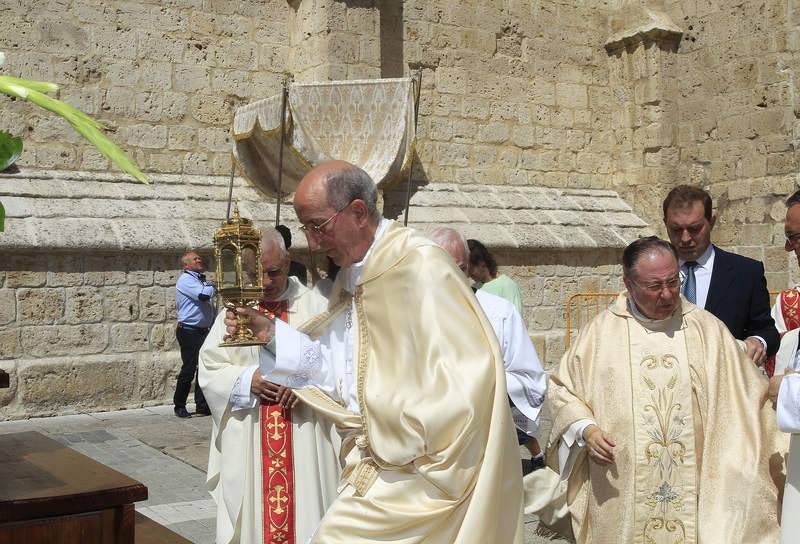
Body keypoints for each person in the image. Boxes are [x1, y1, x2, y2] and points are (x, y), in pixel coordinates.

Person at [227, 160, 523, 543]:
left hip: (422, 475)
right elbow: (337, 368)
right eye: (306, 228)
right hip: (377, 465)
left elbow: (472, 377)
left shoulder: (419, 266)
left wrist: (398, 432)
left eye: (318, 226)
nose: (313, 242)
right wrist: (273, 335)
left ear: (358, 212)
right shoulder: (357, 275)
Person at [537, 236, 785, 543]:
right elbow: (563, 389)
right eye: (655, 286)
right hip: (619, 486)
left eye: (673, 282)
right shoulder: (600, 333)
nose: (667, 294)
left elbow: (749, 397)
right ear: (628, 283)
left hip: (694, 491)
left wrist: (782, 408)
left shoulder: (706, 329)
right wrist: (586, 429)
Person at [198, 228, 339, 544]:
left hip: (306, 435)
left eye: (273, 271)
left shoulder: (318, 306)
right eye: (254, 272)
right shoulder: (234, 314)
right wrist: (249, 380)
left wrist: (303, 384)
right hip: (252, 434)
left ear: (289, 262)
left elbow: (339, 367)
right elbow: (209, 369)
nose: (264, 281)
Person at [428, 226, 547, 472]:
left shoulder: (499, 313)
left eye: (458, 268)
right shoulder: (406, 317)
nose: (449, 276)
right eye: (438, 267)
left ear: (468, 268)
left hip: (488, 447)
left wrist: (487, 381)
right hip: (430, 452)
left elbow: (531, 381)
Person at [662, 184, 779, 366]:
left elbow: (767, 331)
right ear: (665, 224)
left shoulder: (746, 273)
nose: (685, 238)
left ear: (712, 222)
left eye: (694, 228)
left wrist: (758, 342)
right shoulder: (653, 273)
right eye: (676, 229)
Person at [174, 251, 215, 418]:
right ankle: (179, 405)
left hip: (203, 331)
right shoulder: (186, 280)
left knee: (204, 368)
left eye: (199, 258)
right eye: (195, 259)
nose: (200, 260)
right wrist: (215, 285)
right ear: (186, 265)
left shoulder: (200, 280)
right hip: (189, 331)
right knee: (189, 369)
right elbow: (203, 295)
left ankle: (202, 404)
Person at [467, 238, 523, 314]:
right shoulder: (474, 288)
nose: (469, 274)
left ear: (482, 263)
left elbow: (515, 320)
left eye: (471, 269)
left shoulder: (507, 286)